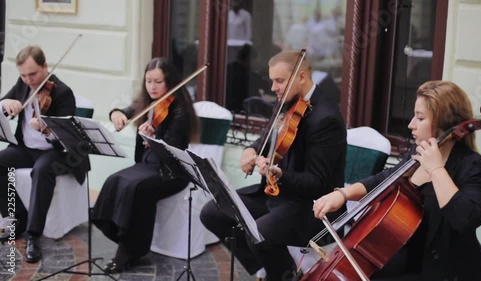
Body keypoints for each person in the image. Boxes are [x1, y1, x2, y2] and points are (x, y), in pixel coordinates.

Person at [313, 80, 481, 281]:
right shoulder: (416, 156)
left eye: (420, 118)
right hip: (404, 262)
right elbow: (383, 179)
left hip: (444, 272)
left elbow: (466, 220)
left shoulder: (472, 166)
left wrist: (436, 169)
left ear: (445, 122)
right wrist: (342, 194)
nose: (411, 125)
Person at [200, 50, 347, 281]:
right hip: (276, 195)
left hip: (311, 206)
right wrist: (251, 150)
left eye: (279, 80)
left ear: (301, 77)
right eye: (272, 80)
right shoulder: (287, 102)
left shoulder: (326, 118)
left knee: (260, 233)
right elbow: (267, 137)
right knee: (212, 212)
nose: (273, 87)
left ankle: (284, 275)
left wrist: (280, 175)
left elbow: (318, 183)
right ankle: (273, 268)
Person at [91, 57, 199, 274]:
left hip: (173, 171)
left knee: (137, 188)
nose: (152, 86)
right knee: (115, 180)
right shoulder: (147, 102)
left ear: (169, 82)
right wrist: (116, 114)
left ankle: (128, 252)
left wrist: (153, 138)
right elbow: (125, 110)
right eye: (149, 81)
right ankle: (123, 237)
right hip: (148, 164)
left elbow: (172, 151)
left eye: (158, 82)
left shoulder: (180, 111)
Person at [0, 45, 89, 263]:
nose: (28, 80)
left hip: (57, 152)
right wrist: (6, 102)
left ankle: (33, 235)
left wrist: (45, 129)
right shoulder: (23, 84)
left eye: (33, 74)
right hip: (26, 148)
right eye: (23, 75)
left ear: (45, 67)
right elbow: (5, 103)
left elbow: (66, 140)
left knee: (41, 171)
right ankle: (18, 218)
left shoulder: (62, 93)